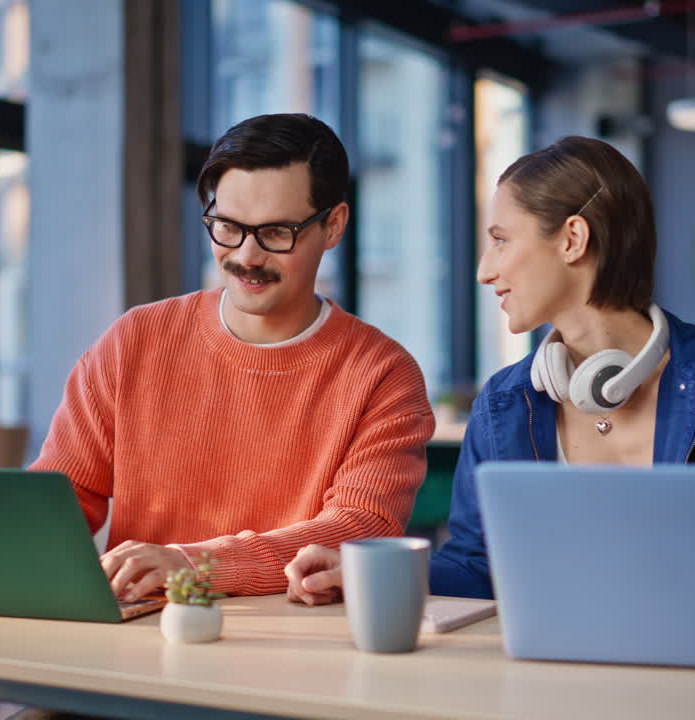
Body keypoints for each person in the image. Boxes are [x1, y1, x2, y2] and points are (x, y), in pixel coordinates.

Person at [284, 136, 695, 624]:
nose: (485, 269)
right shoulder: (505, 405)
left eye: (501, 239)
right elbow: (477, 567)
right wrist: (364, 568)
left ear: (572, 239)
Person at [31, 113, 435, 601]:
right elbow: (58, 500)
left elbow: (358, 527)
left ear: (333, 226)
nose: (246, 256)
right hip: (142, 638)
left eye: (277, 233)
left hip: (292, 651)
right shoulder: (135, 339)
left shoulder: (383, 374)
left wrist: (192, 566)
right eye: (227, 226)